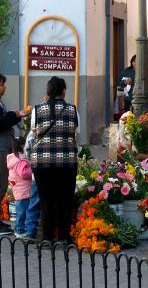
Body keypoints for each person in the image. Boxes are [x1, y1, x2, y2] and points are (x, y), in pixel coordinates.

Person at [30, 76, 79, 244]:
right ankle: (64, 237)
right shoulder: (73, 110)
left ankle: (47, 237)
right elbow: (75, 132)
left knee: (46, 200)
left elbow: (34, 132)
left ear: (48, 91)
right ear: (63, 91)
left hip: (42, 163)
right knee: (65, 199)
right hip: (66, 163)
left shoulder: (37, 110)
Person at [0, 74, 29, 235]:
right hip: (0, 149)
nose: (4, 87)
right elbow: (1, 122)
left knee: (3, 184)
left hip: (4, 147)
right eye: (2, 84)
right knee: (0, 183)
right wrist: (15, 114)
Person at [7, 137, 38, 239]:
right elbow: (24, 173)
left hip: (18, 190)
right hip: (24, 190)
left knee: (20, 212)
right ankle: (20, 230)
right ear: (22, 146)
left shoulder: (12, 159)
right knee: (23, 212)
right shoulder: (21, 160)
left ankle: (19, 229)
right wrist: (32, 170)